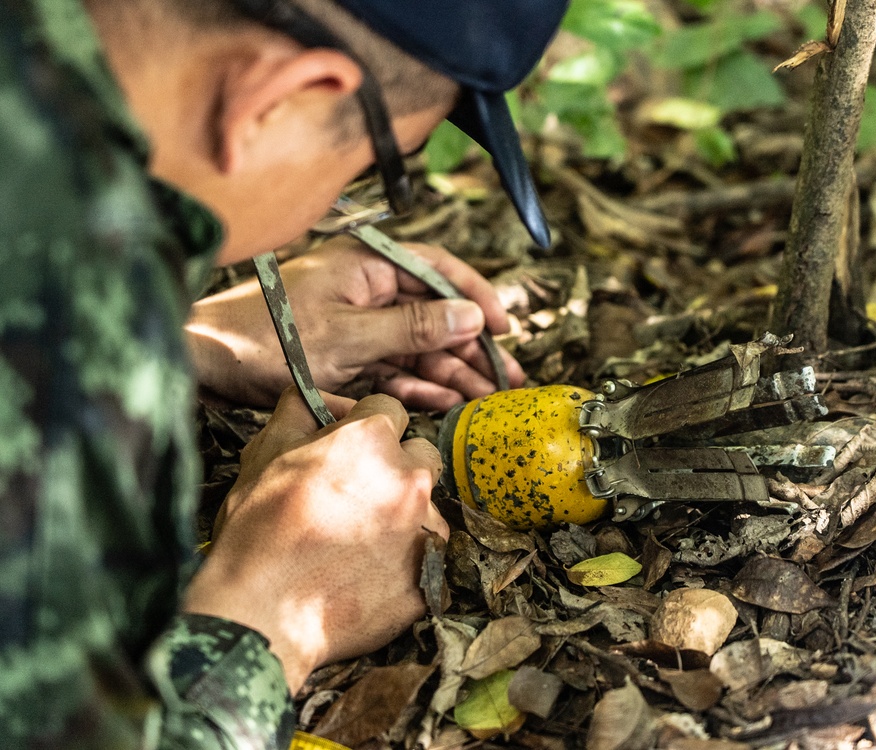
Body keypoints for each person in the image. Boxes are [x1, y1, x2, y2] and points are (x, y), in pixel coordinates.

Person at [0, 0, 567, 747]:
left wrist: (195, 338)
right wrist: (269, 611)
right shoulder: (69, 289)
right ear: (277, 99)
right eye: (374, 171)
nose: (320, 214)